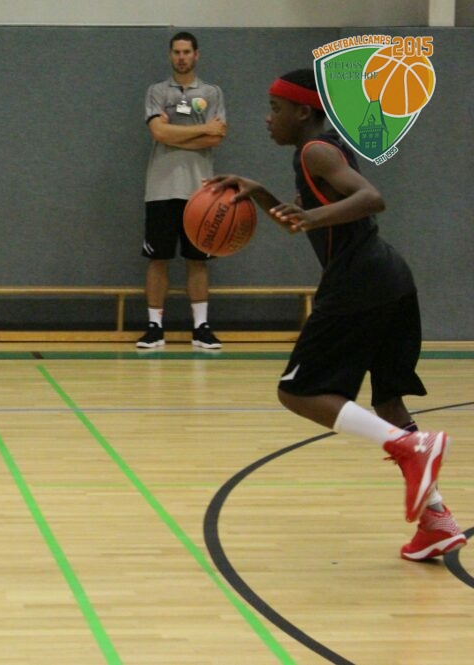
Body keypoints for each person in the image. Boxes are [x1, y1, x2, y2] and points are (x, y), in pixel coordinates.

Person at [205, 69, 465, 561]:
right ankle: (436, 521)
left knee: (296, 391)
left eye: (275, 109)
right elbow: (301, 222)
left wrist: (312, 216)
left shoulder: (315, 151)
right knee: (388, 402)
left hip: (358, 282)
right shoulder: (317, 153)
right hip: (389, 281)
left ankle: (410, 448)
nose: (268, 118)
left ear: (302, 112)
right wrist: (261, 194)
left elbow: (371, 199)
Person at [138, 31, 227, 350]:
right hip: (161, 189)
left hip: (201, 191)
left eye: (187, 52)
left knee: (197, 260)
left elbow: (217, 138)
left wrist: (172, 132)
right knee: (158, 259)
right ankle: (154, 327)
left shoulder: (212, 92)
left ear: (196, 55)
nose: (181, 57)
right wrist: (200, 130)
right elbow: (158, 133)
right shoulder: (157, 91)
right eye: (176, 52)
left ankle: (201, 327)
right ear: (170, 55)